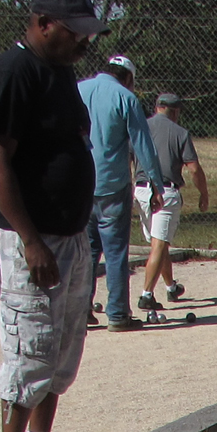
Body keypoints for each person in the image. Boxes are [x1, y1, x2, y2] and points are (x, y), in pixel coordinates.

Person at [0, 0, 105, 432]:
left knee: (60, 353)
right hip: (29, 239)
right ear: (43, 24)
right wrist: (29, 238)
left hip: (71, 236)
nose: (84, 44)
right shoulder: (14, 73)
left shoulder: (61, 73)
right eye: (76, 33)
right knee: (28, 349)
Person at [79, 55, 164, 331]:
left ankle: (81, 312)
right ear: (128, 78)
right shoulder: (125, 98)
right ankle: (117, 314)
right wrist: (156, 185)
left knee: (88, 251)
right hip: (112, 185)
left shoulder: (78, 89)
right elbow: (143, 146)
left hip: (80, 184)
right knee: (115, 252)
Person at [136, 93, 209, 311]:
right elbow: (194, 168)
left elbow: (128, 157)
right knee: (160, 244)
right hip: (165, 191)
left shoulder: (140, 128)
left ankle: (170, 287)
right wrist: (203, 193)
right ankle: (146, 295)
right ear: (175, 112)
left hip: (140, 190)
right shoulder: (180, 132)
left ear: (157, 107)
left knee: (159, 242)